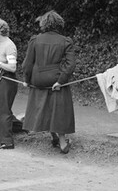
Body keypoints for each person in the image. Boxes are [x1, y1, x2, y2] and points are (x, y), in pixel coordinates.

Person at [21, 10, 77, 153]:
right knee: (59, 109)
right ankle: (63, 142)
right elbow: (70, 65)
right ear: (59, 23)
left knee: (45, 107)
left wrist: (26, 80)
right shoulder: (65, 41)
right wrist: (61, 81)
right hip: (55, 79)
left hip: (38, 79)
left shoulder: (35, 40)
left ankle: (54, 137)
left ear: (43, 23)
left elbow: (27, 63)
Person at [0, 19, 21, 149]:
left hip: (7, 80)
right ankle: (19, 127)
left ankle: (7, 141)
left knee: (3, 110)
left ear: (0, 31)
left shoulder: (9, 46)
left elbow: (12, 68)